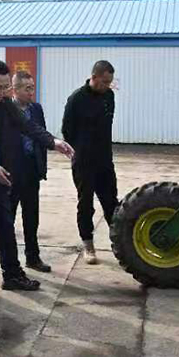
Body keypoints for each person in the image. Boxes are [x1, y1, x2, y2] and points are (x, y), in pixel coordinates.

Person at [0, 60, 74, 301]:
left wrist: (53, 142)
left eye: (6, 88)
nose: (3, 93)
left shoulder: (5, 105)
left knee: (5, 229)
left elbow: (27, 125)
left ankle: (12, 274)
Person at [62, 60, 120, 265]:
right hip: (84, 161)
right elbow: (67, 130)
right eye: (104, 82)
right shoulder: (76, 99)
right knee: (85, 203)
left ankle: (120, 244)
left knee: (111, 203)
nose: (107, 86)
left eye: (110, 82)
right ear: (94, 77)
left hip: (104, 159)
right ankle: (88, 244)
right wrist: (81, 148)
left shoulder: (109, 96)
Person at [9, 71, 51, 272]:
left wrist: (42, 167)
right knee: (7, 218)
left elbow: (41, 135)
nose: (31, 92)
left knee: (31, 216)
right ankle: (10, 262)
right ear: (15, 89)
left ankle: (33, 257)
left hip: (31, 169)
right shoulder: (5, 110)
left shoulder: (36, 109)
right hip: (11, 172)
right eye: (27, 88)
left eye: (32, 88)